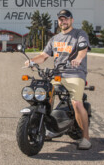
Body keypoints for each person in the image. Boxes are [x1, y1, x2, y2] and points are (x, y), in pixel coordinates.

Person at [25, 9, 91, 150]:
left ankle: (85, 137)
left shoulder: (79, 34)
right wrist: (32, 61)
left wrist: (78, 60)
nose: (63, 21)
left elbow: (83, 50)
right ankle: (48, 128)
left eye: (66, 19)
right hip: (58, 75)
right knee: (43, 95)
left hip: (75, 73)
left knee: (76, 103)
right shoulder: (54, 39)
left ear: (71, 20)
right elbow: (43, 56)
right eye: (61, 19)